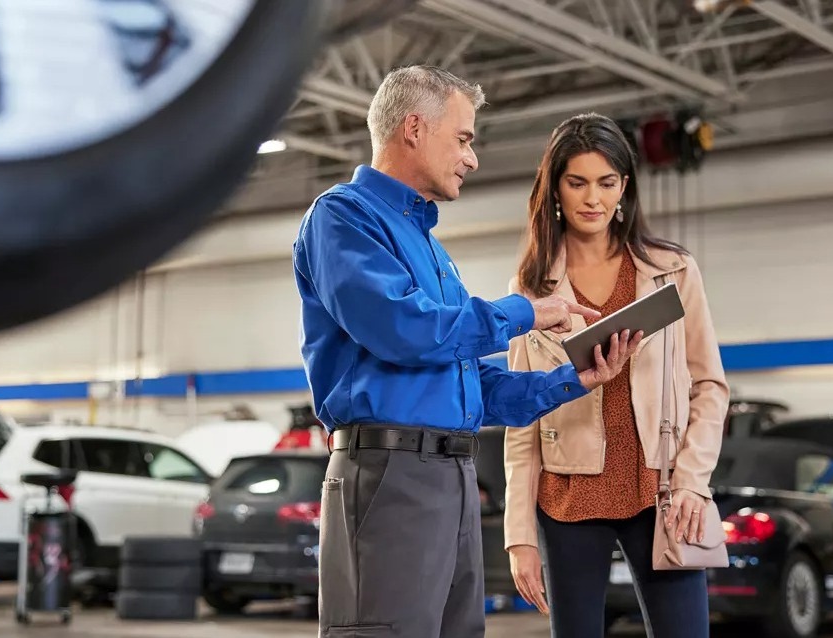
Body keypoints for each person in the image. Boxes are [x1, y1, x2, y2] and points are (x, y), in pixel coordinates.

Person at [292, 67, 644, 638]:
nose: (471, 158)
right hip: (388, 475)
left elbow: (466, 380)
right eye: (463, 139)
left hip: (453, 477)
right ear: (413, 128)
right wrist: (522, 312)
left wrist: (571, 379)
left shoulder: (432, 249)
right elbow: (404, 331)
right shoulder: (343, 217)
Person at [502, 113, 729, 637]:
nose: (593, 199)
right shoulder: (530, 290)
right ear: (555, 189)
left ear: (624, 187)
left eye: (606, 183)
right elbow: (522, 413)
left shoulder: (673, 270)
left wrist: (693, 483)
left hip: (661, 491)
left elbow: (710, 387)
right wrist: (519, 536)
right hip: (567, 497)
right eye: (577, 183)